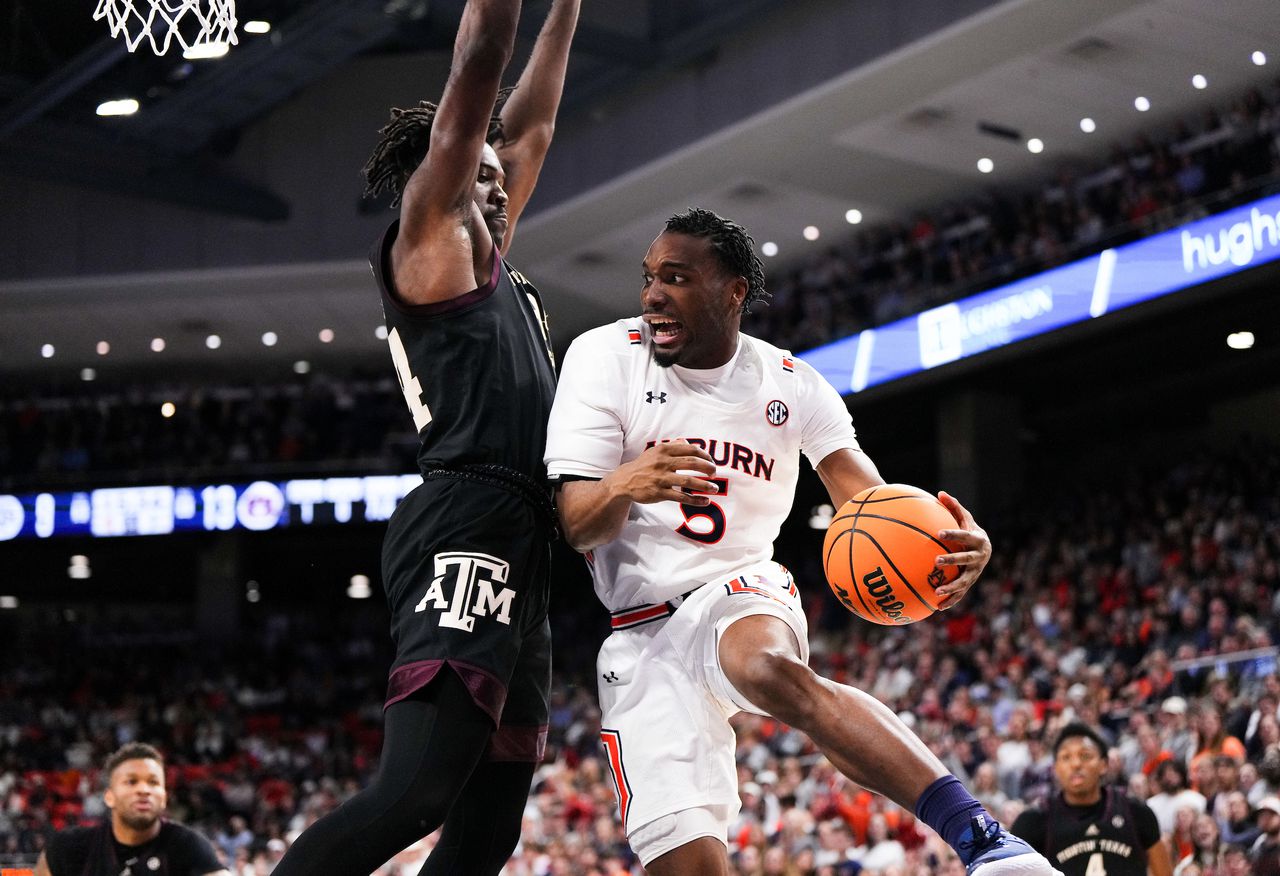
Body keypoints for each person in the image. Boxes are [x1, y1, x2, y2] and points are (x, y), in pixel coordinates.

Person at [544, 207, 1059, 875]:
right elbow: (576, 520)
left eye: (675, 278)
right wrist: (623, 484)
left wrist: (947, 547)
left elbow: (869, 505)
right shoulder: (605, 354)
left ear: (733, 291)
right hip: (640, 636)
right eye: (648, 279)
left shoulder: (792, 383)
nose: (652, 295)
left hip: (738, 586)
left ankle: (985, 842)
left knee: (766, 668)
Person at [271, 0, 578, 873]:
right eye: (480, 167)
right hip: (465, 517)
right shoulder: (432, 232)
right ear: (437, 175)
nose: (499, 178)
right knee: (416, 793)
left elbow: (538, 120)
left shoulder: (493, 254)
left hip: (525, 533)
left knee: (488, 829)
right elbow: (478, 65)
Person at [35, 743, 229, 876]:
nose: (144, 790)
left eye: (153, 782)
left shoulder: (188, 846)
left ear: (164, 797)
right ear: (109, 796)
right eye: (131, 781)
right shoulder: (68, 847)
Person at [1011, 724, 1171, 876]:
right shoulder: (1033, 821)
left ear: (1104, 764)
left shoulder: (1135, 811)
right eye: (1066, 757)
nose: (1076, 764)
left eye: (1085, 756)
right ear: (1056, 769)